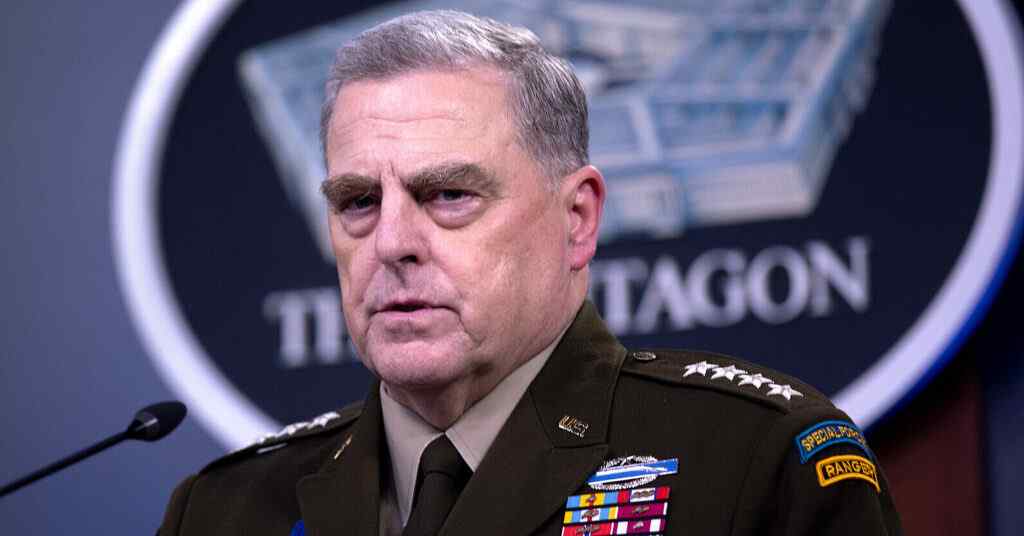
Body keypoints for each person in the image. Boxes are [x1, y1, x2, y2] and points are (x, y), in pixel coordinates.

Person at [158, 10, 902, 536]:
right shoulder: (224, 512)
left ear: (576, 219)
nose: (391, 242)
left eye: (447, 194)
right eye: (358, 201)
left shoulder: (756, 462)